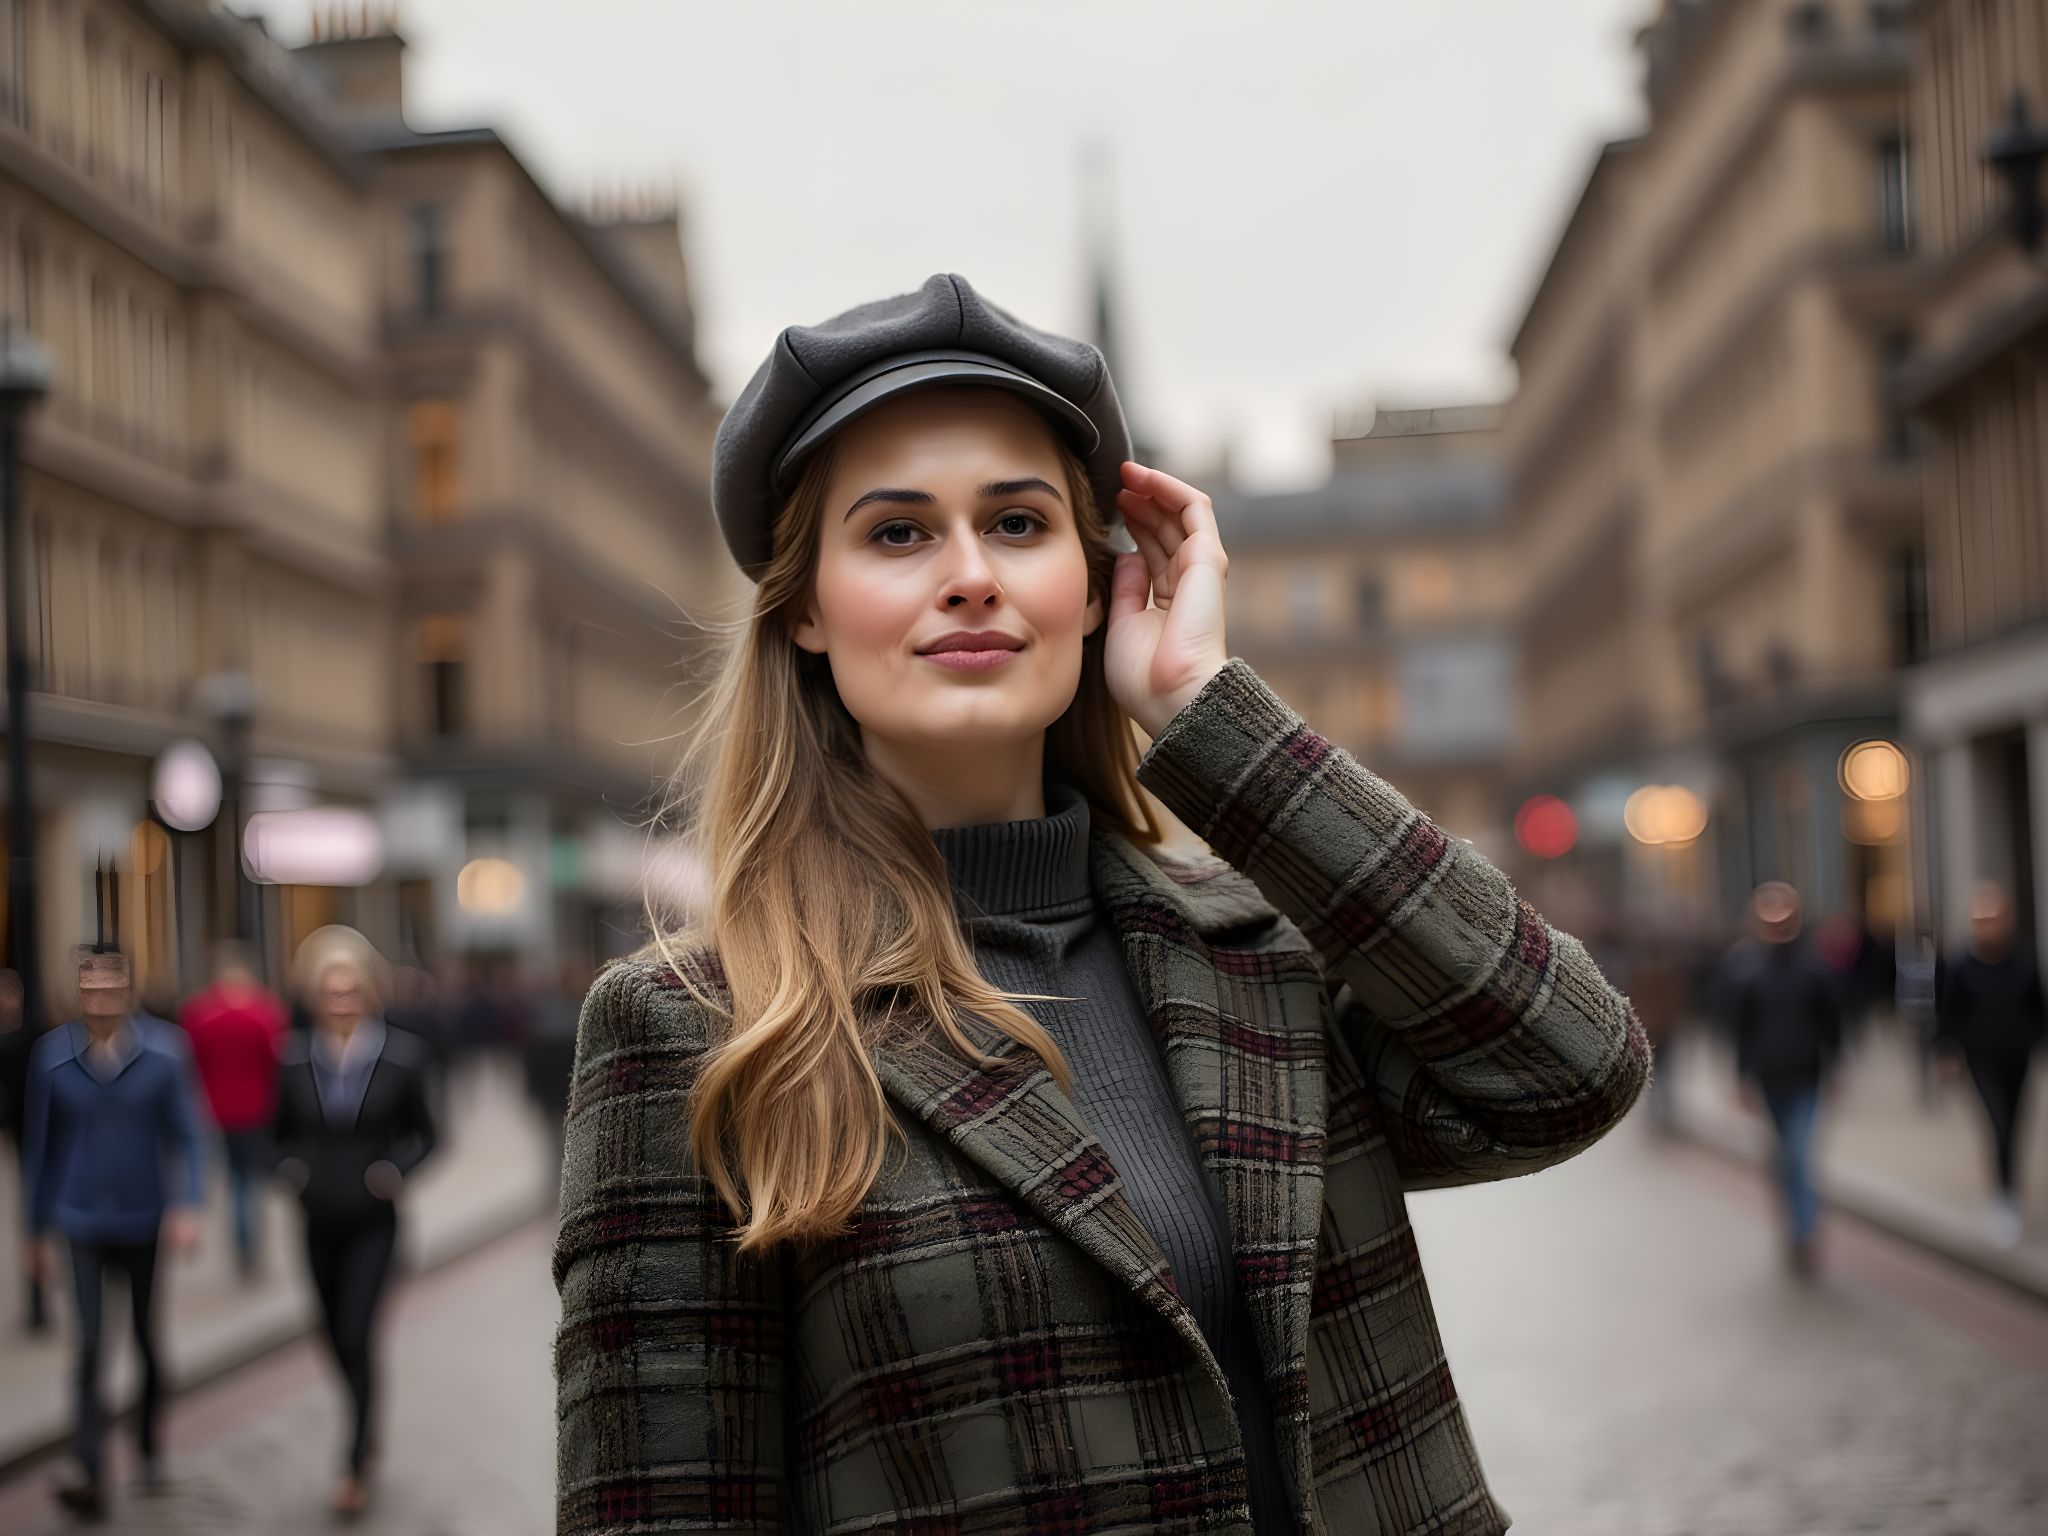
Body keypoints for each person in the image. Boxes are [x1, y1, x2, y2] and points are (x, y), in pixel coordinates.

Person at [553, 275, 1648, 1536]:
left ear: (1092, 586)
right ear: (804, 608)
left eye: (1017, 523)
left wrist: (1208, 717)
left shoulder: (1254, 954)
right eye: (897, 534)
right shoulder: (695, 1030)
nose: (970, 575)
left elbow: (1568, 1070)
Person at [21, 949, 204, 1517]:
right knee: (91, 1344)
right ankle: (88, 1465)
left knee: (146, 1339)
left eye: (110, 989)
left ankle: (148, 1449)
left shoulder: (166, 1053)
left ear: (129, 993)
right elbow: (40, 1150)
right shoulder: (52, 1058)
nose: (100, 1001)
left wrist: (188, 1204)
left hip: (145, 1217)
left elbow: (188, 1133)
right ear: (77, 995)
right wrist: (34, 1231)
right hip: (80, 1218)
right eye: (90, 990)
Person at [273, 926, 436, 1517]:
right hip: (317, 1219)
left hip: (374, 1221)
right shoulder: (292, 1058)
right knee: (329, 1335)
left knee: (356, 1334)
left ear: (368, 993)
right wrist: (290, 1171)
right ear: (314, 997)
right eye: (330, 993)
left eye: (350, 991)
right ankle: (363, 1417)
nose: (341, 1003)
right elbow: (272, 1136)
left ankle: (354, 1462)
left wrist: (395, 1170)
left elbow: (430, 1136)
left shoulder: (402, 1057)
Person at [1726, 882, 1843, 1277]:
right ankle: (1794, 1222)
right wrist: (1741, 1075)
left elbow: (1832, 1023)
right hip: (1768, 1076)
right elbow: (1740, 1030)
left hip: (1806, 1075)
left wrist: (1837, 1066)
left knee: (1799, 1153)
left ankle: (1803, 1231)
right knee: (1783, 1156)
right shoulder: (1748, 971)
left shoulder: (1814, 969)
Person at [1935, 883, 2046, 1249]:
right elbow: (1948, 1014)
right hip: (1980, 1059)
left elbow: (2038, 1008)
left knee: (2015, 1126)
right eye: (1980, 919)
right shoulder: (1961, 965)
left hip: (2018, 1057)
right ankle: (2004, 1196)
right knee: (1997, 1125)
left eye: (1993, 917)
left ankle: (2011, 1187)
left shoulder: (2023, 960)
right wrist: (1947, 1052)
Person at [178, 942, 287, 1276]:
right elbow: (277, 1062)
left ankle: (242, 1245)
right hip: (257, 1108)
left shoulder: (198, 1013)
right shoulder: (266, 1011)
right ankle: (249, 1246)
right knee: (251, 1178)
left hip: (216, 1109)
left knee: (234, 1176)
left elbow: (190, 1063)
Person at [0, 968, 49, 1332]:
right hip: (21, 1138)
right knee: (30, 1218)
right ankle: (37, 1305)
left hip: (46, 1135)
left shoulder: (37, 1037)